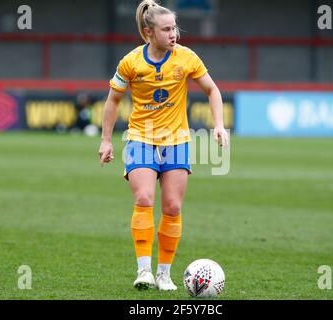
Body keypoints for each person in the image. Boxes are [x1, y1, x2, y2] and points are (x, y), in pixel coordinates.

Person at [99, 0, 228, 291]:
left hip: (177, 140)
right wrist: (106, 140)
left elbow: (212, 89)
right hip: (140, 137)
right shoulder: (131, 62)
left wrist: (218, 125)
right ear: (149, 33)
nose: (174, 35)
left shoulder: (186, 58)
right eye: (167, 29)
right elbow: (113, 101)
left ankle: (164, 275)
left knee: (172, 206)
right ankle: (143, 271)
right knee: (144, 198)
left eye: (175, 28)